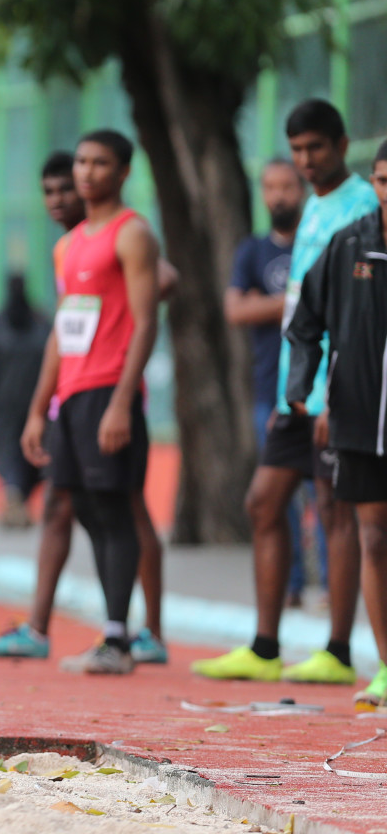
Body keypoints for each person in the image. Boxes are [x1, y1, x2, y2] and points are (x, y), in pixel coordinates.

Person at [193, 99, 373, 685]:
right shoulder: (313, 208)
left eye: (315, 148)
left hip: (335, 392)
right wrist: (288, 392)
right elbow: (301, 310)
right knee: (263, 503)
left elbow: (356, 316)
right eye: (296, 151)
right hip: (292, 392)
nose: (305, 161)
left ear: (342, 146)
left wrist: (329, 394)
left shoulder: (366, 207)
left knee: (334, 511)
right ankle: (265, 646)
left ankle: (339, 653)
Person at [0, 151, 169, 663]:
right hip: (73, 396)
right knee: (72, 505)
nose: (60, 197)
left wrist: (122, 310)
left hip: (110, 391)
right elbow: (65, 330)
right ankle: (44, 628)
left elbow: (161, 284)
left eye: (68, 187)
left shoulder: (124, 234)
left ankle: (140, 631)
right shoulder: (68, 248)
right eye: (51, 191)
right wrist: (41, 408)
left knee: (125, 509)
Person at [284, 140, 387, 709]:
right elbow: (304, 322)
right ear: (372, 182)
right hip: (359, 418)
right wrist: (303, 387)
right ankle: (385, 669)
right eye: (383, 180)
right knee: (373, 535)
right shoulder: (350, 244)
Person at [226, 159, 325, 608]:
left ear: (302, 189)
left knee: (325, 491)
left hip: (320, 387)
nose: (279, 195)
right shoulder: (252, 251)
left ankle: (328, 585)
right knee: (275, 496)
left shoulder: (318, 243)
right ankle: (290, 585)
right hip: (270, 390)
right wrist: (294, 299)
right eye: (270, 187)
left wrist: (264, 303)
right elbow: (236, 312)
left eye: (287, 186)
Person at [0, 273, 51, 528]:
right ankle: (14, 499)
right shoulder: (0, 326)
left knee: (33, 456)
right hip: (6, 408)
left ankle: (18, 501)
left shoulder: (40, 324)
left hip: (36, 406)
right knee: (7, 455)